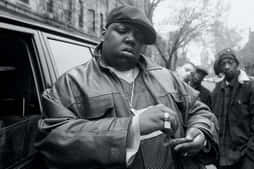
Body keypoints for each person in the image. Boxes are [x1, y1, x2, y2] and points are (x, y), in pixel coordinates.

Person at [35, 5, 219, 169]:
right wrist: (132, 127)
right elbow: (52, 140)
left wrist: (200, 131)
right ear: (103, 32)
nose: (131, 39)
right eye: (122, 30)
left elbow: (200, 110)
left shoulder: (167, 77)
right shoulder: (71, 83)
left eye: (140, 37)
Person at [211, 48, 254, 169]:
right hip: (223, 160)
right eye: (223, 64)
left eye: (230, 62)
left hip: (246, 160)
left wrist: (252, 155)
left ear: (237, 64)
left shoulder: (253, 89)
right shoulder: (218, 90)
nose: (227, 66)